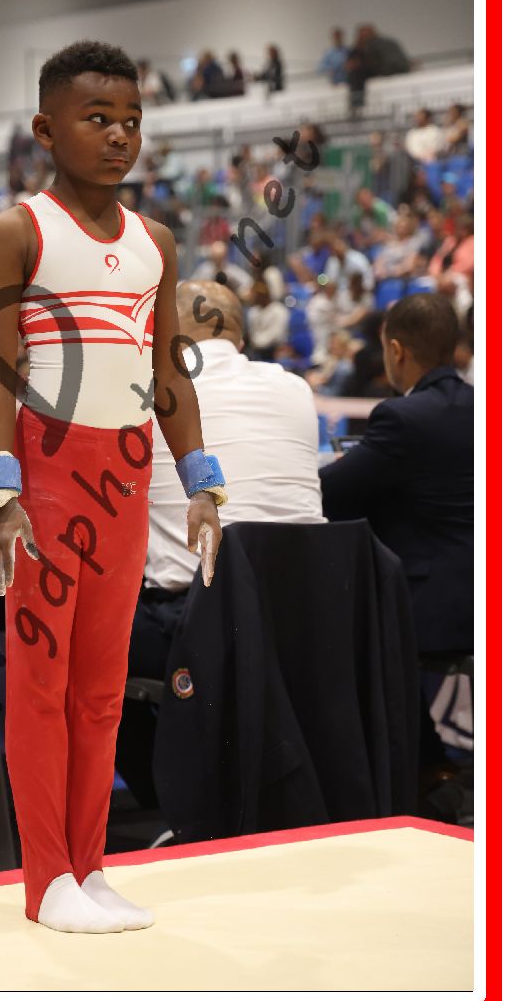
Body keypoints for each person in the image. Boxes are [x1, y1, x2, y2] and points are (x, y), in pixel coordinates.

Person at [0, 40, 226, 934]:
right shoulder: (17, 232)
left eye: (131, 121)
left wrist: (201, 479)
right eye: (97, 119)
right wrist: (0, 495)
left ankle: (89, 865)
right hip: (46, 474)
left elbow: (167, 372)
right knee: (42, 683)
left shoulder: (156, 243)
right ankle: (46, 879)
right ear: (46, 130)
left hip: (125, 474)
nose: (119, 136)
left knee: (102, 687)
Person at [118, 281, 323, 806]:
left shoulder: (143, 392)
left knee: (79, 640)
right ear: (238, 334)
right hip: (305, 616)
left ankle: (168, 805)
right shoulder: (295, 388)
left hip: (196, 620)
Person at [319, 294, 473, 770]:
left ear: (396, 350)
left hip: (432, 609)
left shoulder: (401, 417)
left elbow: (330, 492)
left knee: (334, 631)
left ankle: (420, 773)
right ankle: (435, 770)